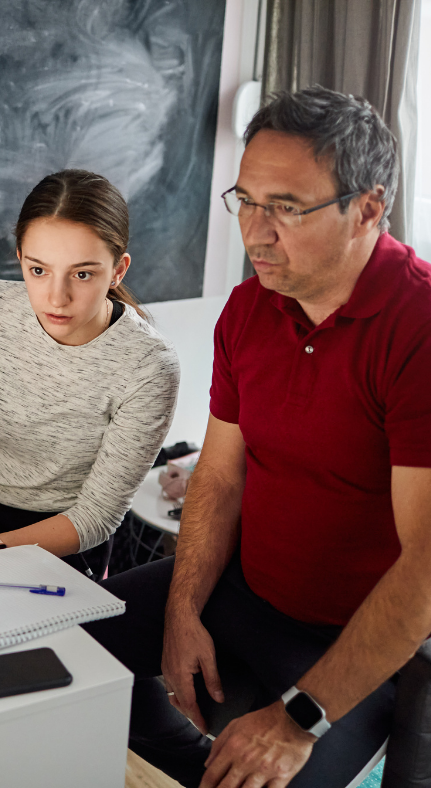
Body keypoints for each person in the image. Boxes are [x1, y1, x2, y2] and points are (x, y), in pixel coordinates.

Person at [84, 85, 431, 787]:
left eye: (287, 208)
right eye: (245, 200)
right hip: (247, 592)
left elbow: (427, 566)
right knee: (58, 650)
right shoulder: (249, 310)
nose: (254, 232)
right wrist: (181, 612)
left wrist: (297, 720)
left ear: (369, 208)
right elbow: (217, 476)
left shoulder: (417, 328)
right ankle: (195, 769)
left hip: (353, 641)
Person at [0, 169, 180, 578]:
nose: (57, 297)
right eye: (38, 270)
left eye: (83, 274)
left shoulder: (148, 366)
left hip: (62, 539)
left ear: (118, 270)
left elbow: (96, 517)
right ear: (20, 258)